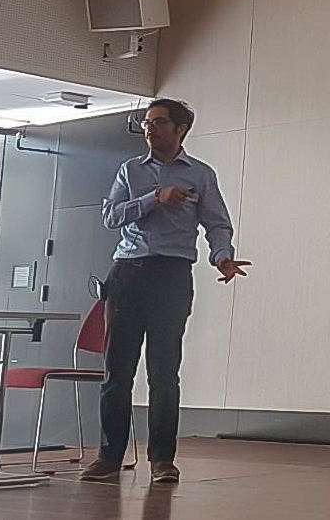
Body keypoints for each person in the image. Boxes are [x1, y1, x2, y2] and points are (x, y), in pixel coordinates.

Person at [81, 99, 250, 485]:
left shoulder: (200, 175)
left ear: (180, 129)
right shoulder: (130, 170)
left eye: (158, 122)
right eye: (146, 122)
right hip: (127, 273)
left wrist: (222, 257)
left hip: (172, 277)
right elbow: (110, 216)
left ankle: (162, 460)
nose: (149, 128)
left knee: (164, 372)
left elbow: (217, 224)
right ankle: (109, 457)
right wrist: (153, 198)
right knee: (117, 371)